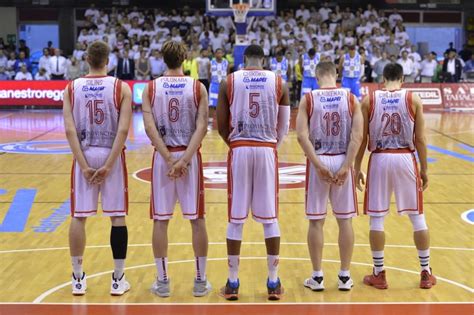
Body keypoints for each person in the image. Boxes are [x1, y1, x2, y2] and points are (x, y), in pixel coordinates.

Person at [216, 45, 291, 301]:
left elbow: (220, 126)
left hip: (240, 148)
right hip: (267, 149)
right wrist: (272, 146)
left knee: (236, 218)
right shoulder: (279, 81)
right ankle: (273, 282)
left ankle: (233, 282)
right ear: (263, 60)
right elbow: (285, 126)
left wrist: (236, 145)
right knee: (270, 218)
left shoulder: (230, 81)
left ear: (244, 60)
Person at [354, 63, 436, 290]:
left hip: (379, 159)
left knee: (377, 218)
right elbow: (420, 139)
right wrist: (424, 168)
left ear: (383, 78)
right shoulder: (413, 99)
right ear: (402, 78)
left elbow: (360, 138)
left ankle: (379, 273)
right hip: (405, 158)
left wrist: (356, 167)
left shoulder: (369, 100)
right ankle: (425, 272)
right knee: (418, 217)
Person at [62, 40, 132, 296]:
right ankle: (117, 279)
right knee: (117, 217)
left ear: (86, 59)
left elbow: (70, 130)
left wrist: (83, 166)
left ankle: (78, 279)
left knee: (79, 216)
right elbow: (123, 130)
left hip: (85, 154)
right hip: (110, 155)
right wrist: (109, 165)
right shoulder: (120, 87)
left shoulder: (71, 88)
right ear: (108, 61)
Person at [141, 41, 210, 298]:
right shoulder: (197, 87)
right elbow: (202, 127)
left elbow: (149, 129)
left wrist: (170, 160)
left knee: (161, 220)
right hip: (189, 157)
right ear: (185, 58)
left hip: (163, 158)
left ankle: (163, 281)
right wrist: (183, 160)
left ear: (163, 59)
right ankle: (200, 282)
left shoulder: (151, 87)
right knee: (197, 219)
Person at [296, 61, 362, 292]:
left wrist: (317, 165)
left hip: (319, 159)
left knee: (316, 221)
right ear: (337, 75)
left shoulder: (309, 98)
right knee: (345, 221)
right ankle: (344, 276)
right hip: (342, 157)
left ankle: (317, 276)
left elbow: (301, 137)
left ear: (316, 77)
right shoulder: (351, 98)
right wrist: (347, 166)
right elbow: (357, 137)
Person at [208, 48, 229, 127]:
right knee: (212, 104)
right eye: (217, 53)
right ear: (215, 54)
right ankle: (210, 123)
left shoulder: (226, 62)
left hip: (223, 85)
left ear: (223, 54)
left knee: (224, 103)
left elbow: (228, 74)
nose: (219, 54)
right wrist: (212, 82)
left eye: (220, 53)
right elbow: (209, 74)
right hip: (214, 85)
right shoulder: (211, 62)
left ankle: (223, 123)